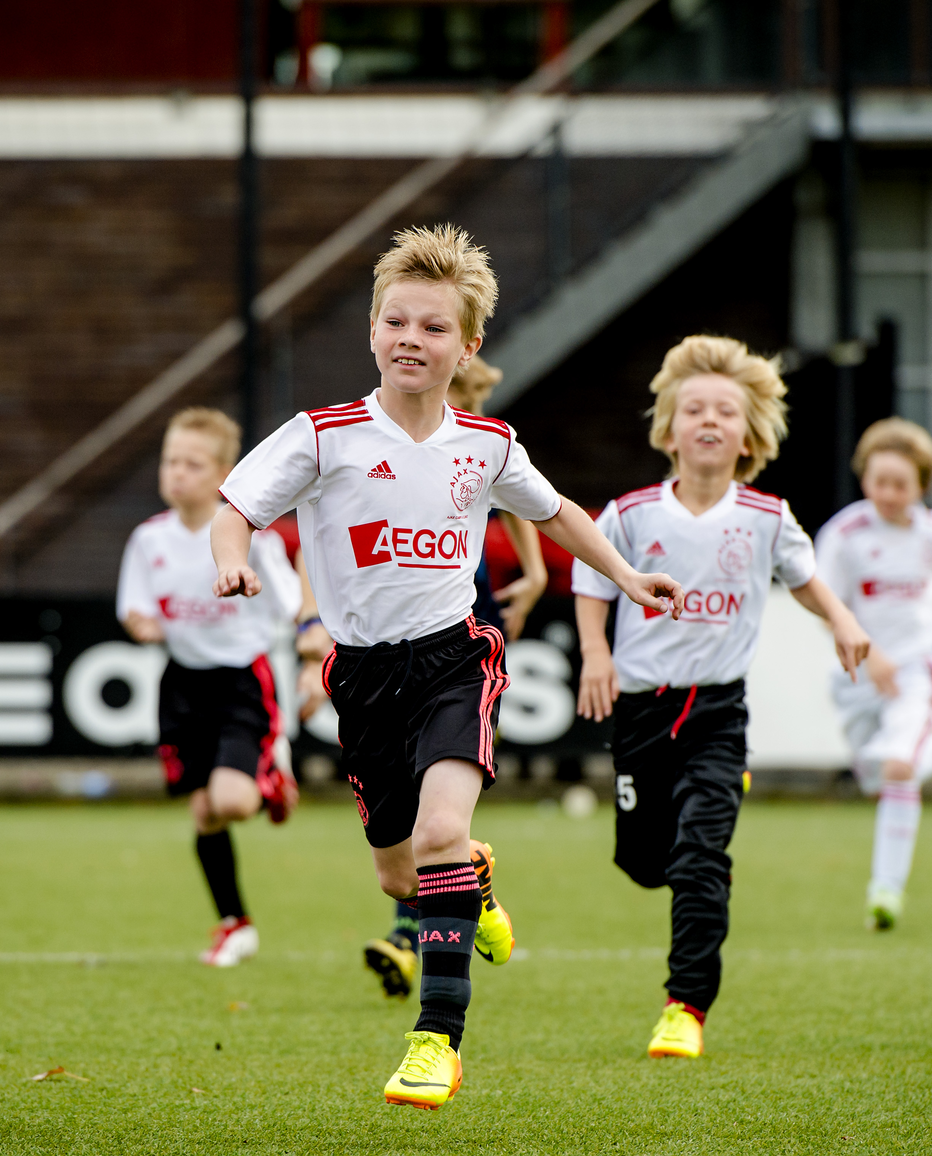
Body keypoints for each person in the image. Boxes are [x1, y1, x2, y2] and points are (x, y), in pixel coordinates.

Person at [210, 224, 683, 1109]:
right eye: (396, 322)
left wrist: (625, 575)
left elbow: (561, 515)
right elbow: (235, 504)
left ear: (467, 346)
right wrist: (231, 558)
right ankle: (477, 875)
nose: (410, 341)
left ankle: (436, 1043)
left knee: (434, 842)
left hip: (455, 660)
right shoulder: (323, 436)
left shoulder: (488, 445)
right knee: (402, 872)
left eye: (433, 329)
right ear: (373, 330)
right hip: (360, 676)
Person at [573, 335, 870, 1062]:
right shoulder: (632, 513)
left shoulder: (767, 517)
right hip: (643, 713)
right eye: (693, 409)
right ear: (668, 430)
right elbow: (591, 582)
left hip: (717, 714)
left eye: (725, 412)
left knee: (700, 858)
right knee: (646, 864)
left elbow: (803, 576)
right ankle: (674, 841)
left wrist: (842, 618)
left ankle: (685, 1008)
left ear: (749, 435)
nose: (708, 420)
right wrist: (596, 654)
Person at [359, 353, 550, 1001]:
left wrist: (539, 575)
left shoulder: (479, 448)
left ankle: (408, 942)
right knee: (413, 820)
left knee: (433, 800)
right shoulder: (376, 442)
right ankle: (469, 877)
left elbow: (529, 507)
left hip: (462, 628)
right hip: (392, 639)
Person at [117, 407, 302, 967]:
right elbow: (135, 607)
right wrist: (142, 624)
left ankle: (271, 773)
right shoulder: (149, 539)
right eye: (171, 461)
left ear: (224, 472)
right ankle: (234, 923)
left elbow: (293, 605)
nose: (177, 473)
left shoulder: (251, 538)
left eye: (193, 464)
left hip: (242, 682)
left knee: (231, 801)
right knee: (204, 814)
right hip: (182, 687)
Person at [815, 418, 932, 931]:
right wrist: (866, 651)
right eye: (879, 481)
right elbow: (822, 598)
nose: (889, 493)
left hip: (918, 669)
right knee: (876, 774)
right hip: (858, 673)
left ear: (922, 486)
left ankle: (886, 891)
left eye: (901, 484)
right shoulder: (844, 534)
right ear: (864, 477)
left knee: (898, 766)